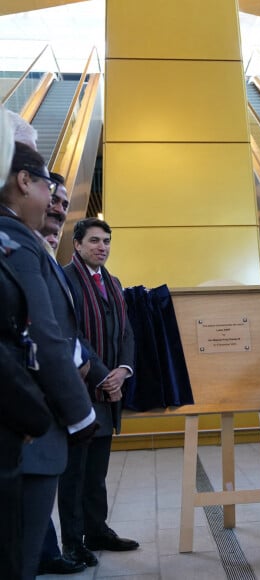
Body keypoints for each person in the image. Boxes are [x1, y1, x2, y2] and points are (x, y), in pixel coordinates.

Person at [0, 142, 98, 580]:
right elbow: (42, 332)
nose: (54, 205)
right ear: (24, 181)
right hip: (29, 422)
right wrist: (81, 415)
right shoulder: (16, 241)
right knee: (17, 559)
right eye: (48, 190)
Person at [59, 217, 138, 565]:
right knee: (75, 472)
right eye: (94, 241)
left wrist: (123, 370)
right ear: (77, 244)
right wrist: (104, 377)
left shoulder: (114, 282)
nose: (101, 247)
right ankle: (73, 542)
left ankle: (97, 530)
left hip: (110, 390)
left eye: (106, 241)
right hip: (82, 389)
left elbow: (126, 333)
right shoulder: (64, 279)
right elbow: (71, 334)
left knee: (97, 471)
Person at [37, 173, 92, 575]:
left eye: (62, 202)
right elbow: (45, 330)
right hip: (38, 395)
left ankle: (51, 550)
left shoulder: (45, 261)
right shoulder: (24, 257)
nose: (58, 208)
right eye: (51, 198)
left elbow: (72, 331)